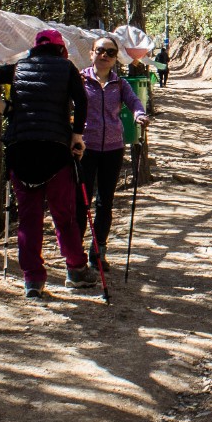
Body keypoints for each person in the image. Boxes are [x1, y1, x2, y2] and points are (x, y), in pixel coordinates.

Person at [0, 29, 90, 298]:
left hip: (21, 149)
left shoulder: (18, 68)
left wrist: (3, 107)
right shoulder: (66, 68)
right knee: (64, 215)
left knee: (29, 218)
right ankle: (76, 269)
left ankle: (33, 280)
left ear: (35, 49)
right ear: (61, 50)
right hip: (55, 149)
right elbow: (81, 100)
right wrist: (77, 136)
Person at [80, 32, 148, 262]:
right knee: (82, 201)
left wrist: (139, 114)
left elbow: (134, 102)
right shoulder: (79, 80)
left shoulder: (120, 83)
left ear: (115, 58)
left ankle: (98, 250)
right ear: (91, 54)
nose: (104, 55)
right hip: (84, 148)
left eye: (110, 52)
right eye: (100, 50)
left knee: (105, 201)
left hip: (112, 148)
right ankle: (75, 252)